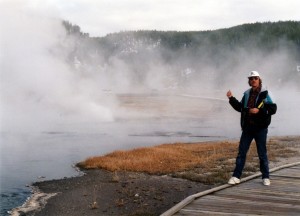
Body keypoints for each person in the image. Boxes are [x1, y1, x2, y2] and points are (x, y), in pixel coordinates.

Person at [226, 71, 277, 186]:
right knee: (241, 153)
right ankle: (236, 176)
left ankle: (265, 177)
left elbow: (273, 109)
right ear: (249, 81)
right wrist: (231, 98)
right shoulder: (247, 94)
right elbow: (240, 108)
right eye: (251, 79)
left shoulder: (266, 93)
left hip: (260, 129)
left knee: (262, 153)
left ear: (259, 80)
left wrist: (259, 111)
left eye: (255, 78)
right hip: (248, 128)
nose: (253, 80)